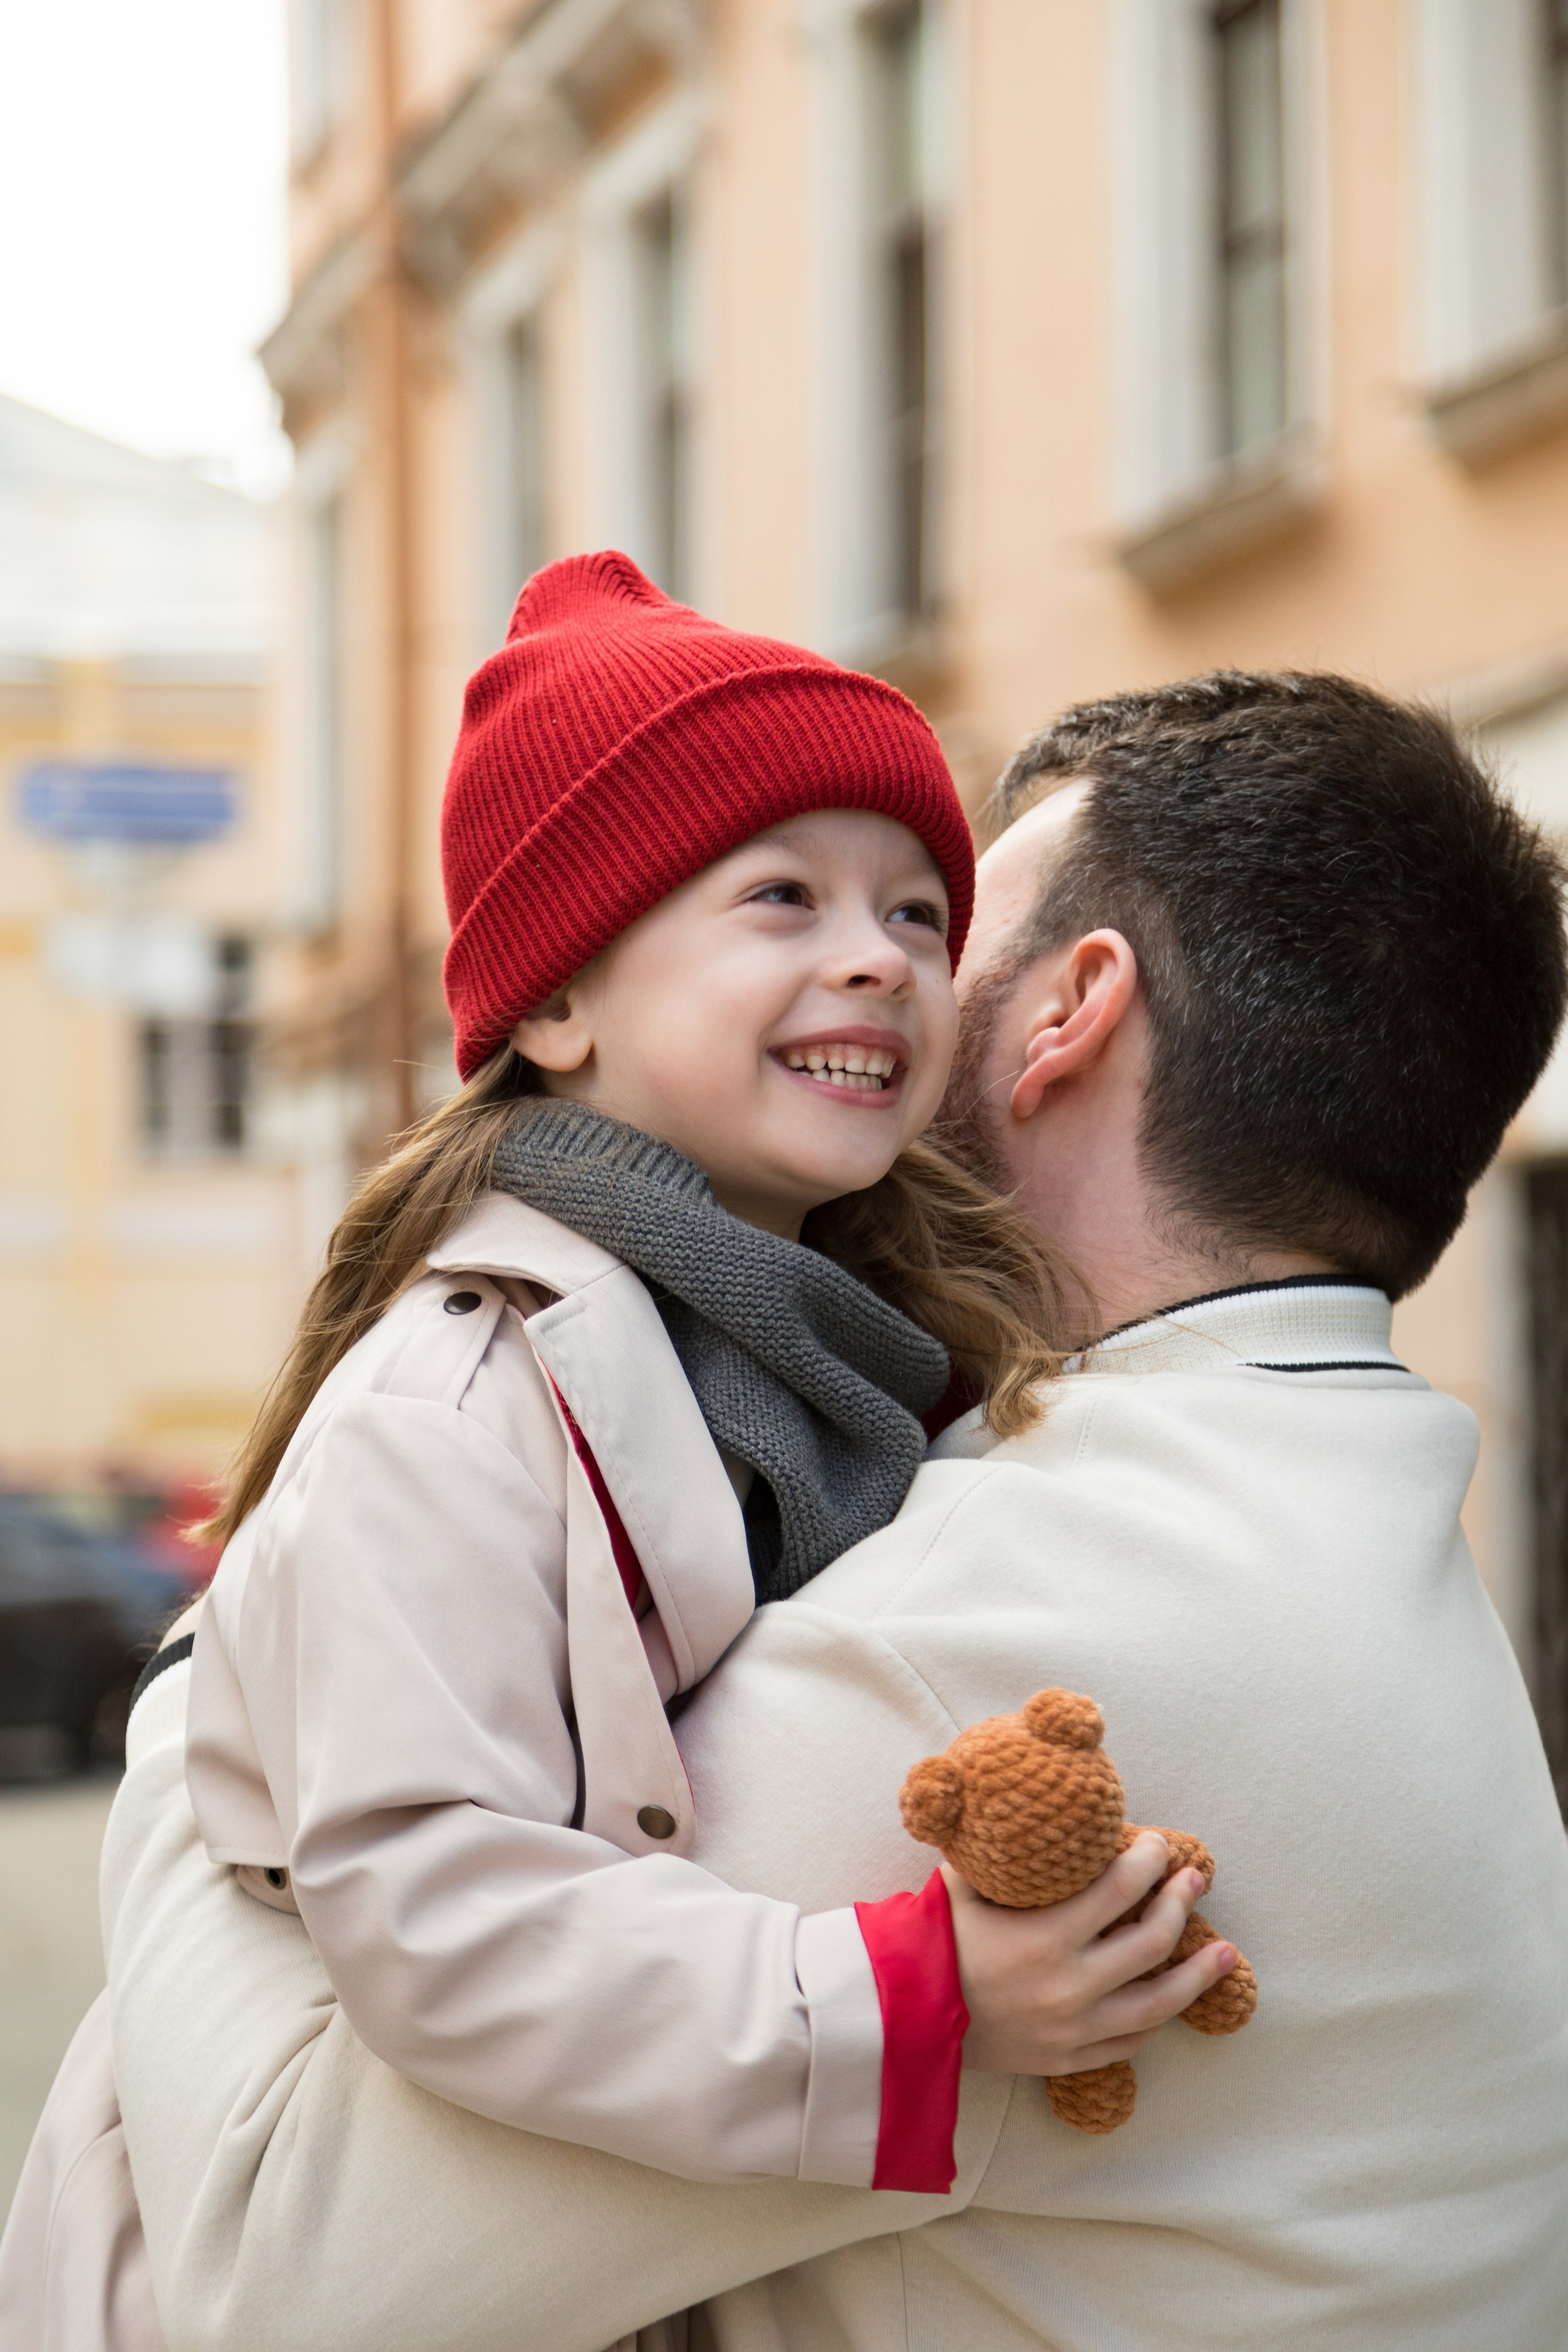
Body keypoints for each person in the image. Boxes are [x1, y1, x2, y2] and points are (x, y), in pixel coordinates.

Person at [107, 668, 1568, 2352]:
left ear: (1069, 1012)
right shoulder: (1364, 1528)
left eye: (943, 925)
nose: (885, 974)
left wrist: (197, 1711)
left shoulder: (994, 1651)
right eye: (785, 901)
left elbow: (267, 2276)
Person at [0, 566, 1230, 2351]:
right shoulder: (450, 1405)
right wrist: (905, 2003)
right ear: (561, 1003)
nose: (878, 953)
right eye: (782, 895)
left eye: (913, 907)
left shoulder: (848, 1363)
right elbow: (436, 1901)